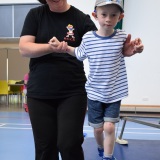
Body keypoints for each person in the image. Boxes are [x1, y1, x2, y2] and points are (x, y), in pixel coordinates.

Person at [49, 0, 144, 160]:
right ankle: (101, 147)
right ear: (95, 16)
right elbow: (78, 53)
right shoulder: (88, 38)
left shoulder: (121, 36)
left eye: (113, 15)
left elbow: (126, 51)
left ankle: (108, 156)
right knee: (98, 129)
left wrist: (135, 49)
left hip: (114, 92)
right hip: (94, 93)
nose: (108, 19)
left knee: (109, 126)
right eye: (104, 15)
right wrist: (62, 46)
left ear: (120, 17)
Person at [19, 0, 97, 160]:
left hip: (72, 92)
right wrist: (49, 48)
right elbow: (24, 48)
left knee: (69, 144)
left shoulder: (81, 19)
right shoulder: (35, 15)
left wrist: (124, 49)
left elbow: (100, 44)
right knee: (45, 148)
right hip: (39, 93)